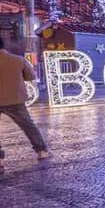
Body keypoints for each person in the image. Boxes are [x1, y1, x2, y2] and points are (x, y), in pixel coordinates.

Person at [0, 37, 49, 172]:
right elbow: (31, 76)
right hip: (15, 99)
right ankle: (41, 151)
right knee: (28, 125)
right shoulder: (18, 60)